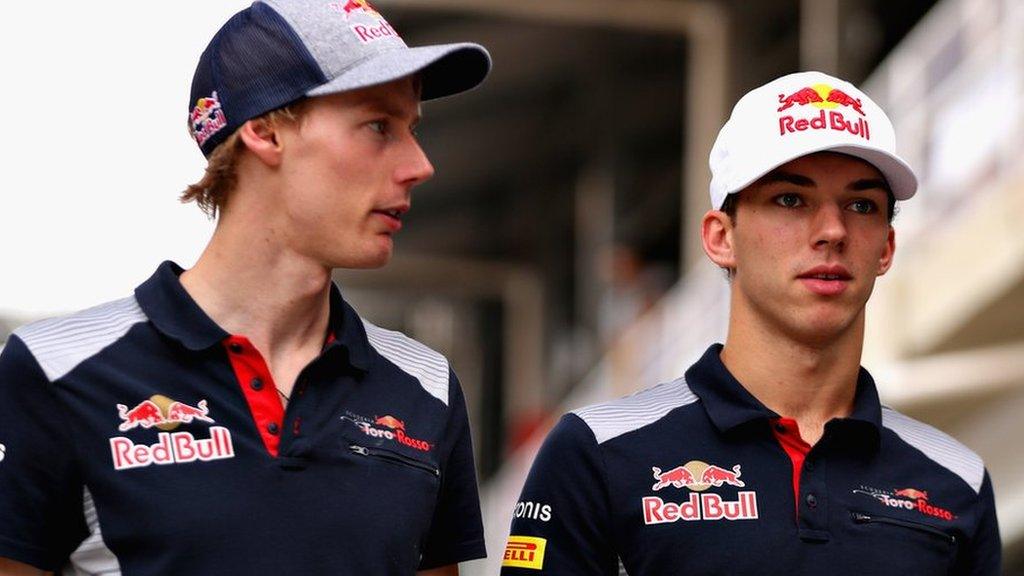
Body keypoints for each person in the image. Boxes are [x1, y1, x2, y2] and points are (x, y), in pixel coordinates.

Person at [0, 1, 490, 574]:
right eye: (379, 125)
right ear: (263, 130)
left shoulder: (425, 387)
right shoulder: (56, 371)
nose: (420, 164)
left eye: (412, 129)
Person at [500, 71, 1001, 575]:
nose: (832, 231)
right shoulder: (598, 452)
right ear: (721, 238)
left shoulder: (957, 482)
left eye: (861, 205)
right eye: (790, 199)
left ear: (886, 248)